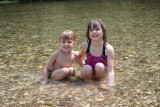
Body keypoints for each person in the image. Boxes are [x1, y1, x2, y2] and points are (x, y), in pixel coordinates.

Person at [79, 18, 115, 86]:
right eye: (91, 30)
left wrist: (111, 85)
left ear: (103, 31)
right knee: (86, 68)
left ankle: (100, 83)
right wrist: (81, 64)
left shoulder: (108, 49)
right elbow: (78, 56)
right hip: (88, 73)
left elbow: (111, 70)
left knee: (99, 66)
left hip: (101, 73)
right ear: (88, 33)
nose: (94, 32)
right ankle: (88, 85)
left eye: (97, 29)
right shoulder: (85, 45)